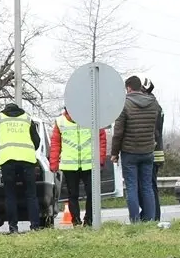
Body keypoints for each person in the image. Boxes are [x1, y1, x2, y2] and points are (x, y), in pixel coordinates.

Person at [110, 75, 161, 222]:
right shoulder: (153, 103)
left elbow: (118, 132)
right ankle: (150, 219)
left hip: (130, 152)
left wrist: (114, 153)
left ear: (129, 87)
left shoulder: (124, 104)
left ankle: (135, 220)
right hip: (148, 151)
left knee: (132, 187)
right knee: (147, 186)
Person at [49, 106, 108, 226]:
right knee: (73, 194)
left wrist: (100, 159)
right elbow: (55, 143)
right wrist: (54, 163)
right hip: (70, 165)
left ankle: (88, 220)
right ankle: (76, 221)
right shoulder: (61, 121)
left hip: (89, 163)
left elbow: (101, 138)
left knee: (91, 193)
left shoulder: (92, 118)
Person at [0, 102, 42, 233]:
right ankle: (35, 226)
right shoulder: (27, 118)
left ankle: (13, 227)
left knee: (10, 195)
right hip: (27, 159)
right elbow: (36, 141)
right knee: (31, 194)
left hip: (8, 160)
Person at [143, 77, 165, 221]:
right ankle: (153, 215)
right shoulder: (156, 105)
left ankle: (154, 217)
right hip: (156, 152)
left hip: (152, 152)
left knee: (150, 186)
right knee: (151, 185)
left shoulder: (152, 107)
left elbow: (154, 132)